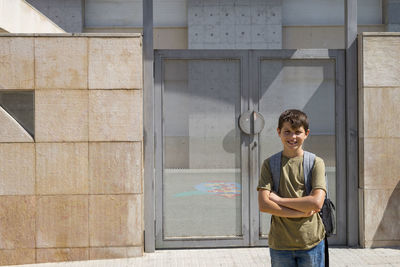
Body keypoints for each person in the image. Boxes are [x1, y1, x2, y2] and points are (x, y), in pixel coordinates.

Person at [258, 109, 327, 267]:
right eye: (287, 132)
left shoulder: (316, 162)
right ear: (278, 132)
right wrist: (301, 211)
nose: (292, 137)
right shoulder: (269, 164)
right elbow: (264, 204)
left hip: (311, 243)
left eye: (297, 132)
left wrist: (279, 200)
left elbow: (316, 203)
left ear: (306, 133)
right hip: (280, 244)